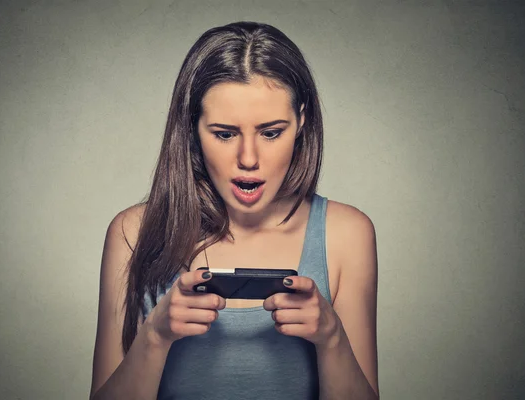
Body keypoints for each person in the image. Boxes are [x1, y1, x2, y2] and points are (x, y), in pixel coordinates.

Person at [89, 21, 379, 400]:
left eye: (271, 132)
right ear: (193, 129)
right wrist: (156, 336)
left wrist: (332, 338)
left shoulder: (347, 234)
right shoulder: (131, 232)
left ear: (302, 121)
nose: (248, 159)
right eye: (224, 134)